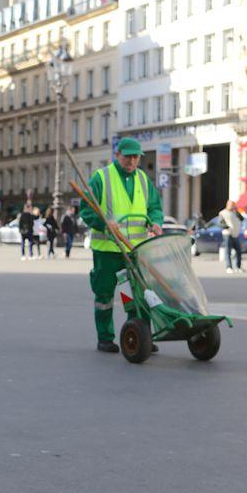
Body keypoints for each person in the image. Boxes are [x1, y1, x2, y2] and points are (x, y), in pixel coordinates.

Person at [79, 137, 164, 354]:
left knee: (140, 294)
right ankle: (105, 338)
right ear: (117, 155)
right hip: (108, 250)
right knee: (105, 295)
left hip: (136, 250)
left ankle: (139, 335)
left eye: (136, 157)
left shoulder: (144, 180)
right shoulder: (101, 178)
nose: (132, 160)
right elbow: (86, 211)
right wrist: (104, 223)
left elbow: (154, 207)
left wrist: (156, 222)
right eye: (128, 156)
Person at [219, 200, 243, 274]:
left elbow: (242, 219)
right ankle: (229, 267)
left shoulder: (235, 212)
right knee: (228, 251)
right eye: (231, 205)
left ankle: (238, 267)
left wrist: (236, 210)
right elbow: (220, 223)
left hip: (236, 233)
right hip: (228, 234)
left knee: (238, 251)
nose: (232, 206)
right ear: (227, 205)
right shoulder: (223, 213)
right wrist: (227, 227)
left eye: (233, 205)